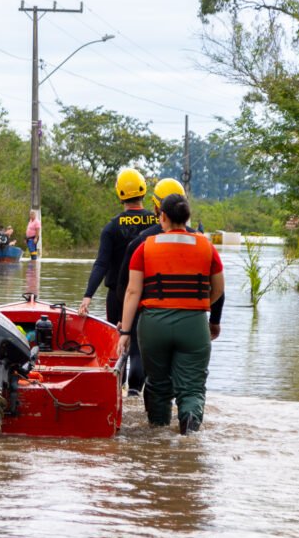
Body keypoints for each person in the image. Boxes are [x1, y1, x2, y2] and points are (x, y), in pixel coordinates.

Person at [117, 194, 225, 434]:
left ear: (162, 216)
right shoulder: (207, 247)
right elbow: (218, 289)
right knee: (193, 387)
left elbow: (132, 291)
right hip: (194, 325)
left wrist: (125, 331)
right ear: (188, 218)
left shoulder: (145, 247)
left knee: (157, 384)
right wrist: (198, 305)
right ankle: (188, 429)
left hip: (154, 323)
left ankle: (158, 431)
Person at [78, 168, 158, 396]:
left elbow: (101, 264)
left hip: (118, 295)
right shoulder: (157, 222)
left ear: (119, 193)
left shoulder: (112, 227)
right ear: (144, 191)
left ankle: (116, 392)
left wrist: (88, 295)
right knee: (139, 347)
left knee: (119, 342)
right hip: (148, 293)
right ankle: (135, 392)